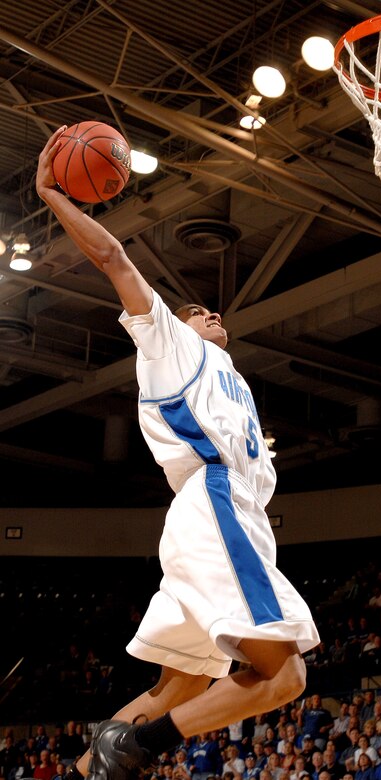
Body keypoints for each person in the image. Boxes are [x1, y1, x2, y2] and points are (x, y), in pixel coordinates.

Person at [36, 127, 319, 780]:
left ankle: (84, 771)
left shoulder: (236, 382)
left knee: (179, 688)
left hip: (230, 518)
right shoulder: (170, 344)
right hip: (215, 507)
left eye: (213, 311)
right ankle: (140, 747)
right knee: (286, 677)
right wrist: (54, 195)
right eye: (195, 311)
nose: (209, 313)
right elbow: (112, 258)